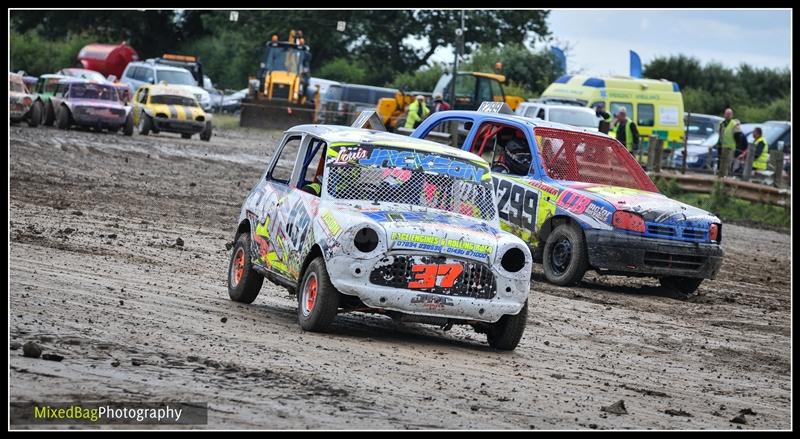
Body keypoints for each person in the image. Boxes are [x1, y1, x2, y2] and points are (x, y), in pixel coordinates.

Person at [718, 108, 744, 175]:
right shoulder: (722, 124)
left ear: (732, 115)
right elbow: (720, 135)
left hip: (731, 147)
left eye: (729, 114)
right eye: (726, 114)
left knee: (728, 164)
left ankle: (726, 178)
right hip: (723, 146)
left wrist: (737, 146)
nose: (728, 115)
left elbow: (738, 136)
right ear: (724, 114)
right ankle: (720, 178)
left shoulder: (734, 124)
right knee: (721, 164)